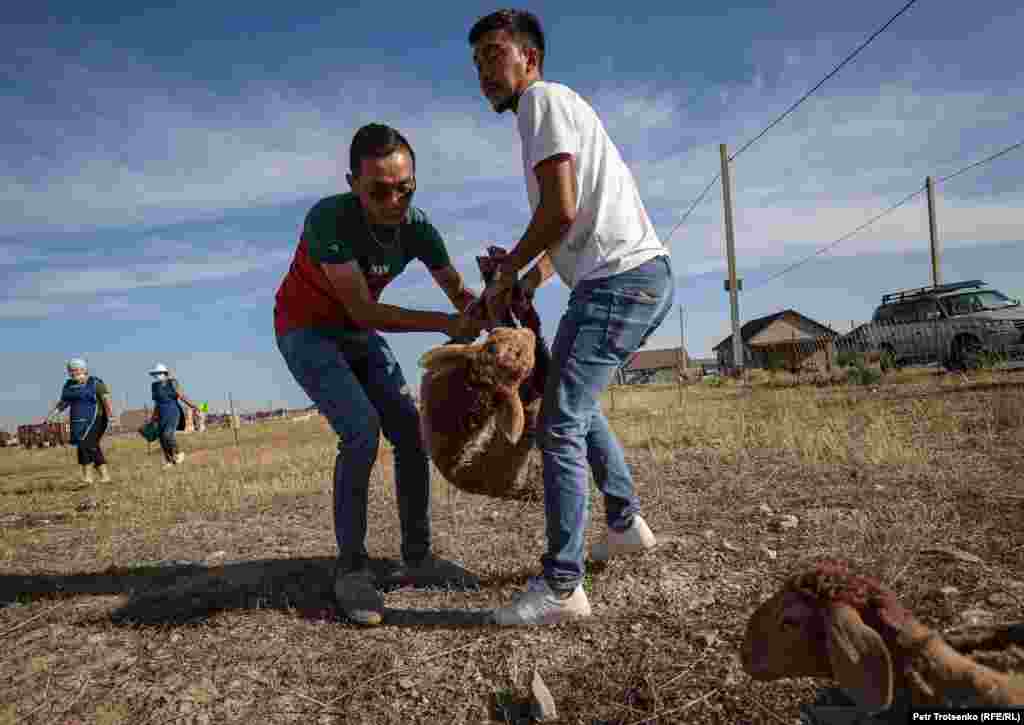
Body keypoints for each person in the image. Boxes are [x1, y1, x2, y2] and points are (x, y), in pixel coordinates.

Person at [468, 9, 676, 625]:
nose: (484, 70)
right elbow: (570, 229)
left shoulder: (542, 104)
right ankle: (624, 521)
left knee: (558, 423)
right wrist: (525, 279)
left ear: (529, 58)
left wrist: (506, 275)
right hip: (619, 278)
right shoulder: (556, 112)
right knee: (573, 405)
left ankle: (562, 586)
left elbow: (557, 212)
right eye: (476, 60)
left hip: (620, 281)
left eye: (495, 54)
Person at [273, 123, 488, 626]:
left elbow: (459, 296)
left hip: (355, 330)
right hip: (306, 331)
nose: (394, 200)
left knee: (412, 434)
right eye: (379, 190)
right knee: (361, 432)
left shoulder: (418, 227)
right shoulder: (328, 218)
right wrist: (447, 326)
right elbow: (365, 310)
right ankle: (351, 570)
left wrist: (491, 306)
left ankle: (418, 556)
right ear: (353, 183)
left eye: (405, 187)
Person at [45, 358, 114, 483]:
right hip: (78, 420)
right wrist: (52, 415)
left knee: (85, 444)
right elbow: (64, 402)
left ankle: (88, 477)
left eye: (76, 369)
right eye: (71, 370)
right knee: (91, 446)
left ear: (84, 369)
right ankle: (105, 476)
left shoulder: (95, 382)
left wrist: (110, 415)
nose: (74, 372)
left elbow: (105, 399)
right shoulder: (68, 385)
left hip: (96, 418)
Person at [148, 363, 200, 468]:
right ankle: (169, 461)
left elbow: (181, 396)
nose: (157, 375)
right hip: (161, 413)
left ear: (164, 373)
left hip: (173, 411)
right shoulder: (154, 386)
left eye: (159, 373)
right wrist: (153, 418)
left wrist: (193, 405)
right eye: (155, 374)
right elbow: (157, 403)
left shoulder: (173, 383)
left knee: (168, 434)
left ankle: (179, 453)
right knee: (162, 438)